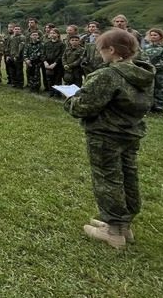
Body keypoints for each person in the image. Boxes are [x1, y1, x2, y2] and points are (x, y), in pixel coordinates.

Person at [64, 28, 154, 249]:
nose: (99, 54)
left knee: (107, 179)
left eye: (101, 50)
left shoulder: (108, 75)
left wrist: (71, 98)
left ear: (111, 50)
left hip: (106, 134)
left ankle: (113, 230)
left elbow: (82, 106)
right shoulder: (142, 74)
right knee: (127, 175)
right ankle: (124, 225)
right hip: (130, 132)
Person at [143, 28, 163, 114]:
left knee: (160, 89)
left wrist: (154, 67)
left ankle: (159, 107)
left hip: (160, 73)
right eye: (151, 35)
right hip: (148, 72)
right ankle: (148, 107)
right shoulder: (146, 47)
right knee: (148, 89)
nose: (153, 37)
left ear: (160, 36)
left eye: (155, 35)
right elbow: (143, 59)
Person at [43, 29, 65, 97]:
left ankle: (57, 93)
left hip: (57, 65)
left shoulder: (62, 44)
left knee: (57, 79)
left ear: (58, 34)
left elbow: (62, 55)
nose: (52, 34)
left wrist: (55, 63)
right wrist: (45, 62)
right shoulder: (46, 44)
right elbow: (43, 54)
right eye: (51, 33)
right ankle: (51, 92)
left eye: (54, 33)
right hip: (48, 64)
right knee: (49, 79)